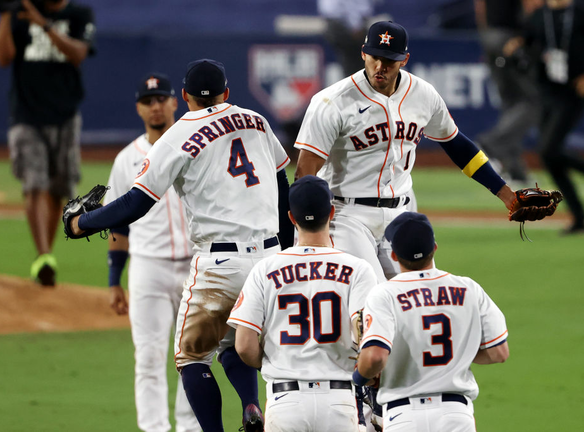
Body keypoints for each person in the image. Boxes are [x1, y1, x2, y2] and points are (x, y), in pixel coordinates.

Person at [66, 59, 294, 432]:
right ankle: (252, 405)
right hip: (269, 260)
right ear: (227, 93)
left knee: (191, 357)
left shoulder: (178, 134)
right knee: (234, 342)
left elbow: (135, 204)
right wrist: (282, 254)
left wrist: (82, 223)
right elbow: (283, 184)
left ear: (184, 96)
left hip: (219, 264)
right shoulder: (257, 120)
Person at [293, 20, 517, 283]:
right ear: (363, 53)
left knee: (419, 296)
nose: (380, 67)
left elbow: (457, 145)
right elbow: (305, 172)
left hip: (402, 211)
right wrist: (308, 226)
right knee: (370, 300)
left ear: (404, 59)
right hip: (347, 216)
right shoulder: (332, 102)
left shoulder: (423, 94)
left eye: (389, 60)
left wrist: (505, 193)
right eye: (375, 57)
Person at [228, 175, 377, 432]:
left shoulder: (265, 269)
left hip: (285, 401)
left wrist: (279, 361)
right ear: (331, 212)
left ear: (290, 218)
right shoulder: (359, 269)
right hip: (339, 402)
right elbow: (367, 336)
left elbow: (243, 346)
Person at [104, 72, 200, 432]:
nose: (156, 106)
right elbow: (117, 227)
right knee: (148, 357)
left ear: (175, 102)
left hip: (197, 264)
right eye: (148, 101)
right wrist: (115, 279)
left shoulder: (197, 145)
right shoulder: (126, 159)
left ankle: (190, 427)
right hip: (148, 268)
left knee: (193, 357)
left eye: (161, 99)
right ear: (138, 109)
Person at [353, 212, 509, 431]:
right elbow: (498, 352)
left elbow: (375, 358)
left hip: (404, 417)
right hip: (456, 415)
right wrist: (455, 356)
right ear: (434, 247)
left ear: (395, 256)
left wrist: (359, 376)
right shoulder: (468, 288)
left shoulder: (384, 294)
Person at [0, 0, 96, 286]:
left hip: (65, 114)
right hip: (26, 114)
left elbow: (77, 54)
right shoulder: (20, 13)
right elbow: (3, 58)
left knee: (58, 189)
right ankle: (44, 256)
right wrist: (4, 16)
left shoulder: (79, 14)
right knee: (34, 183)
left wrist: (44, 24)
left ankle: (45, 253)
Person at [503, 0, 584, 234]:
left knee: (548, 149)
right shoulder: (539, 16)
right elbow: (523, 40)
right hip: (547, 93)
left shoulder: (582, 14)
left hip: (574, 92)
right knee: (550, 156)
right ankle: (582, 217)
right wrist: (514, 46)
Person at [474, 0, 543, 184]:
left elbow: (480, 7)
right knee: (534, 102)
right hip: (511, 39)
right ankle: (491, 143)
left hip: (491, 36)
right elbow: (532, 5)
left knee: (511, 104)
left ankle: (515, 171)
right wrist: (527, 37)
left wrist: (487, 37)